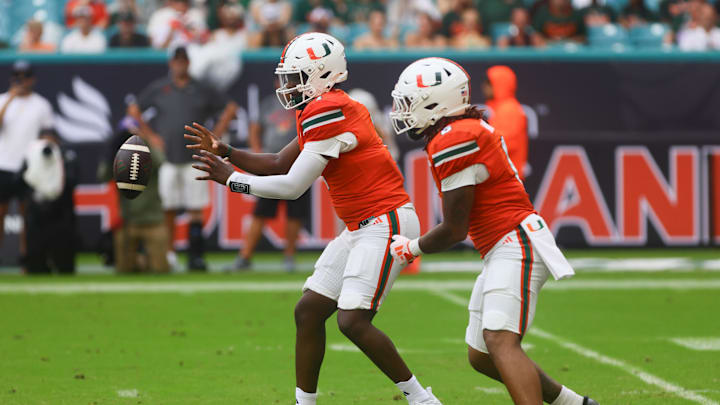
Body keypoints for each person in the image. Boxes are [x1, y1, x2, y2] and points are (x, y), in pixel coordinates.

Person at [185, 33, 441, 405]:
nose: (287, 85)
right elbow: (277, 162)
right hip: (361, 227)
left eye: (295, 76)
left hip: (386, 222)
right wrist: (226, 150)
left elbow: (291, 186)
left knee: (352, 321)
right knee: (309, 311)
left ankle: (422, 400)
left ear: (321, 74)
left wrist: (231, 179)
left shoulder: (330, 108)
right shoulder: (321, 108)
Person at [388, 57, 598, 405]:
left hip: (515, 240)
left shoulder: (454, 137)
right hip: (504, 243)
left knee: (500, 340)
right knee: (482, 355)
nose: (405, 112)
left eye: (410, 102)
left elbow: (455, 229)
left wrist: (412, 247)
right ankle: (575, 404)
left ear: (436, 102)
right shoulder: (459, 131)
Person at [127, 46, 237, 271]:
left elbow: (230, 107)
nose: (180, 64)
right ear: (171, 64)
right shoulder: (161, 88)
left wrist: (214, 135)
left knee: (195, 208)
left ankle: (195, 255)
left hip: (195, 156)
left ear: (188, 63)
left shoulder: (200, 88)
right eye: (176, 61)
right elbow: (134, 111)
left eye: (183, 61)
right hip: (168, 157)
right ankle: (169, 253)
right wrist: (151, 136)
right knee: (169, 207)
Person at [226, 83, 311, 272]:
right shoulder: (269, 104)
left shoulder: (306, 103)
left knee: (295, 214)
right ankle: (245, 256)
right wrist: (257, 153)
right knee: (261, 212)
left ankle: (289, 256)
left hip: (299, 164)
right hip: (272, 164)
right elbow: (255, 128)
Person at [0, 61, 54, 265]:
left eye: (24, 77)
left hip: (29, 166)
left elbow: (49, 133)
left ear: (32, 79)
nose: (21, 81)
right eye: (17, 77)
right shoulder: (3, 100)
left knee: (27, 216)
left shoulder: (41, 104)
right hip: (3, 164)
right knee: (0, 213)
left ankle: (26, 259)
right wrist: (10, 98)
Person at [99, 119, 169, 273]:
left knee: (160, 269)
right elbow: (103, 175)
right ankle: (141, 262)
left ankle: (145, 262)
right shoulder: (118, 159)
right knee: (124, 270)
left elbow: (161, 161)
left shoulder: (150, 153)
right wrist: (113, 151)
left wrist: (144, 142)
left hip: (153, 220)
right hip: (128, 223)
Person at [22, 130, 78, 274]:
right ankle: (36, 265)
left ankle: (62, 264)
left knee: (64, 257)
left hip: (60, 210)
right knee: (36, 254)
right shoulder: (30, 158)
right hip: (38, 211)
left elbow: (72, 180)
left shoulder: (66, 157)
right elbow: (21, 181)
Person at [483, 65, 528, 180]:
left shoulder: (509, 109)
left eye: (489, 83)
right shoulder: (503, 108)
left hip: (507, 177)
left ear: (499, 85)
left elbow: (504, 143)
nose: (484, 87)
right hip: (504, 176)